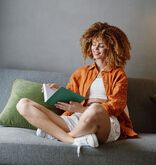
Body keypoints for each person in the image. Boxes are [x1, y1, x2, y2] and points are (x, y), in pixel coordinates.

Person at [16, 22, 138, 156]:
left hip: (104, 121)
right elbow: (71, 99)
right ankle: (72, 140)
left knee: (96, 108)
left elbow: (117, 105)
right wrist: (57, 92)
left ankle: (57, 135)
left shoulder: (119, 74)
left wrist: (84, 109)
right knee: (23, 104)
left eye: (101, 45)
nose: (95, 48)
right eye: (93, 44)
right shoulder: (81, 72)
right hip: (77, 119)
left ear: (112, 48)